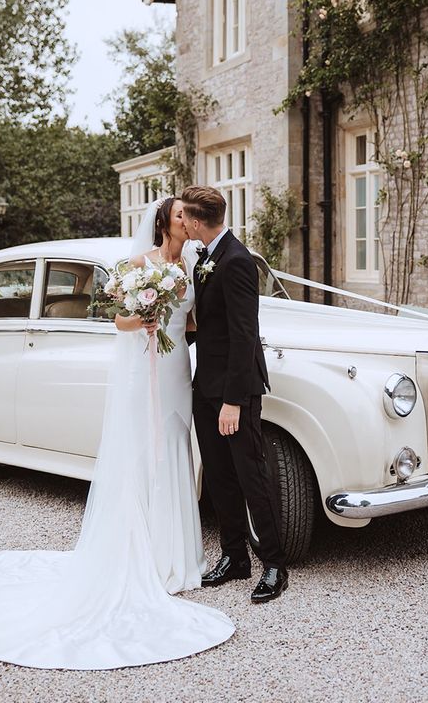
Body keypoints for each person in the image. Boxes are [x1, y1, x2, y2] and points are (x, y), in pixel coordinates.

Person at [0, 197, 234, 673]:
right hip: (143, 366)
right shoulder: (137, 264)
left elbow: (194, 319)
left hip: (175, 369)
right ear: (165, 222)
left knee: (172, 444)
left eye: (188, 217)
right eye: (179, 215)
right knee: (139, 451)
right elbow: (117, 320)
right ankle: (144, 556)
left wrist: (186, 321)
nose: (186, 221)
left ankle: (176, 555)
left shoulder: (192, 262)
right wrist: (144, 316)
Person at [181, 185, 288, 604]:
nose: (183, 224)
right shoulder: (205, 257)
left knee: (251, 476)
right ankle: (234, 557)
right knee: (220, 476)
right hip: (204, 384)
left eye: (185, 218)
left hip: (233, 392)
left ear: (196, 220)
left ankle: (275, 565)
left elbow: (245, 337)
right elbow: (209, 326)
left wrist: (233, 401)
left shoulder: (238, 261)